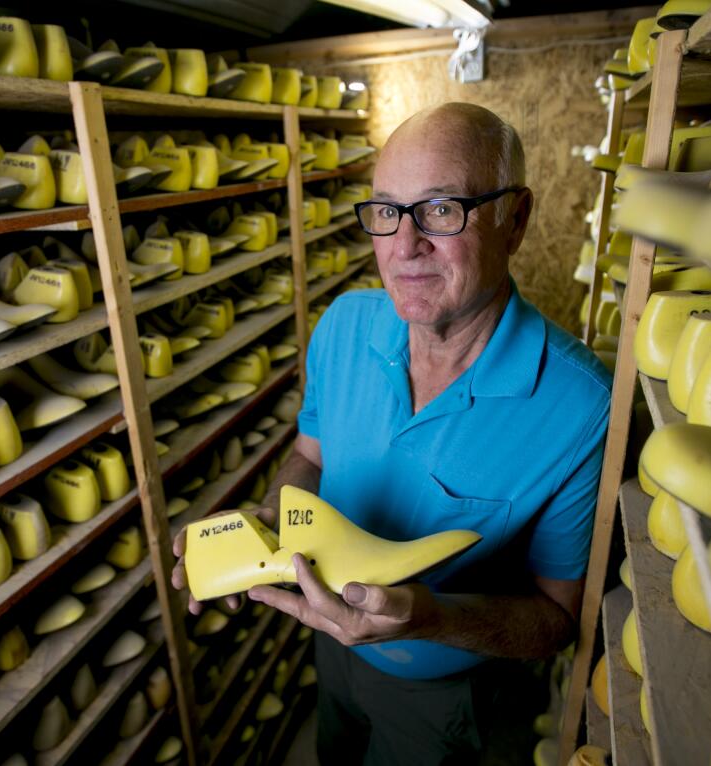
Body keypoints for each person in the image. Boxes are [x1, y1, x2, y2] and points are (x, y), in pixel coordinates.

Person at [173, 102, 611, 765]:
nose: (405, 247)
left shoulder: (581, 405)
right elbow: (307, 456)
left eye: (440, 209)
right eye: (385, 212)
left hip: (447, 690)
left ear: (514, 219)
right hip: (332, 648)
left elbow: (556, 619)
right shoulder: (343, 325)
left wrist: (434, 617)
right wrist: (268, 525)